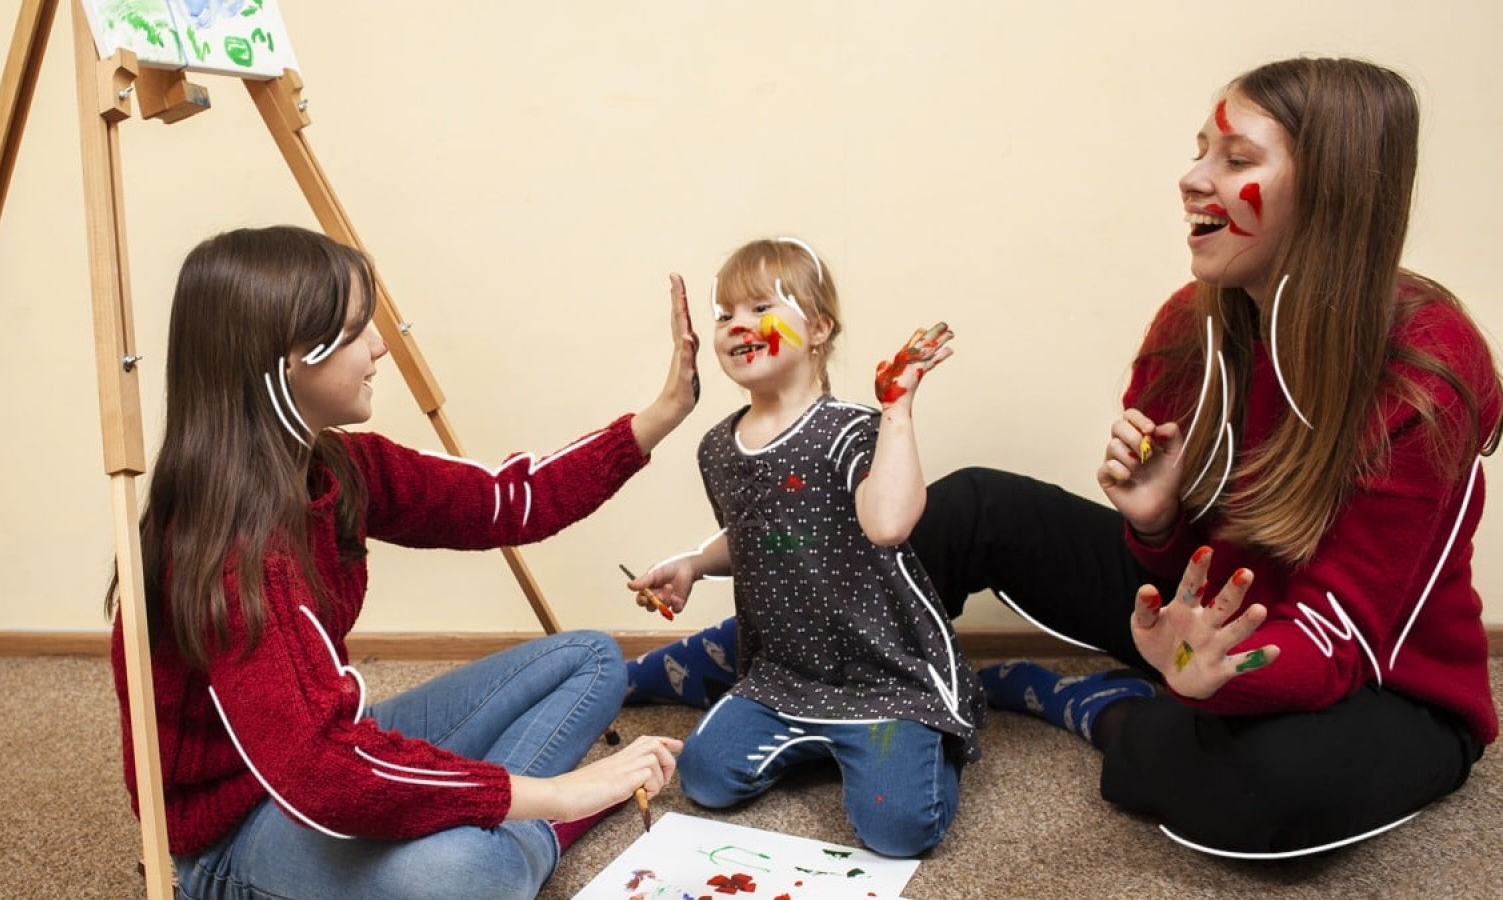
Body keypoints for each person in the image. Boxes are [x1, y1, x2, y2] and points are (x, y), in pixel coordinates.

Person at [632, 57, 1503, 857]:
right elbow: (1166, 571)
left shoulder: (1429, 363)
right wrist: (1156, 525)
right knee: (964, 507)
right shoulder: (1190, 324)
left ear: (1334, 193)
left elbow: (1339, 638)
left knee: (1257, 790)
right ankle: (743, 656)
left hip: (1373, 677)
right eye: (1201, 151)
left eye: (1235, 159)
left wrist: (1197, 680)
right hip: (1198, 621)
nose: (1192, 177)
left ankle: (1094, 704)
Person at [105, 225, 698, 899]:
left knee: (591, 658)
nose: (381, 345)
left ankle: (475, 818)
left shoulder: (340, 465)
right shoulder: (229, 550)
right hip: (237, 836)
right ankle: (517, 835)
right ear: (287, 360)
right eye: (357, 329)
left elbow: (508, 501)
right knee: (476, 875)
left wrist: (663, 413)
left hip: (324, 758)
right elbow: (323, 771)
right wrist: (559, 796)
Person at [625, 237, 985, 858]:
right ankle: (823, 742)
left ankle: (935, 728)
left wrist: (896, 411)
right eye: (724, 314)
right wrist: (693, 564)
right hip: (785, 675)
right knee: (704, 779)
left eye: (760, 308)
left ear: (817, 329)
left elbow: (889, 524)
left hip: (881, 677)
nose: (739, 326)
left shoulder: (850, 430)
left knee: (896, 829)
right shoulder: (717, 447)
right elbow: (758, 535)